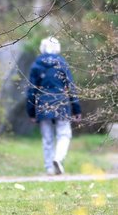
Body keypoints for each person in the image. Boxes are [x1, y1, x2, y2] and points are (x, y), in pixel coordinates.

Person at [26, 36, 81, 175]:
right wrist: (76, 109)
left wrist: (31, 112)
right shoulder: (62, 63)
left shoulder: (36, 65)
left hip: (42, 105)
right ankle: (58, 158)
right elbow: (70, 87)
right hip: (61, 103)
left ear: (42, 48)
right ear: (57, 48)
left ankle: (49, 168)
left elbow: (31, 91)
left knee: (47, 138)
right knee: (64, 134)